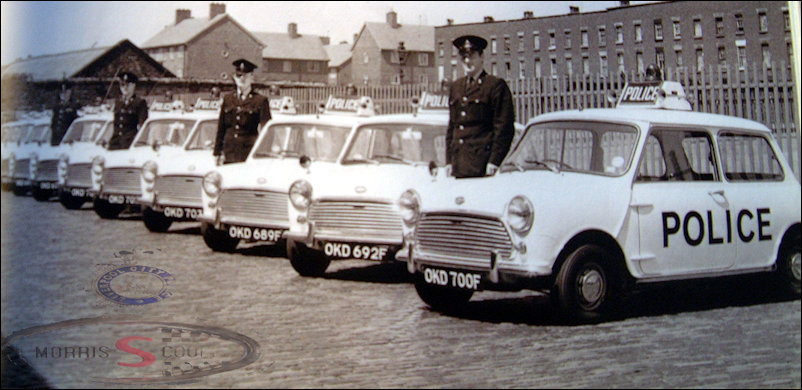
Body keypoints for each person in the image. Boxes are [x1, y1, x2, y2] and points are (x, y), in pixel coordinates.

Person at [446, 35, 515, 178]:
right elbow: (452, 127)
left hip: (482, 164)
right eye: (463, 57)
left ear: (482, 56)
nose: (467, 61)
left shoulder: (495, 86)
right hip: (459, 164)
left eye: (471, 56)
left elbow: (504, 128)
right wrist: (448, 161)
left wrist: (494, 161)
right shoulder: (456, 87)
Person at [214, 58, 271, 164]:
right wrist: (217, 153)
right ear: (234, 78)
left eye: (246, 76)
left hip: (248, 153)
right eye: (239, 76)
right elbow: (221, 128)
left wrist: (263, 154)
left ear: (252, 78)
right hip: (229, 153)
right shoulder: (228, 99)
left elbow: (266, 132)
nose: (242, 79)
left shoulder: (260, 100)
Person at [108, 71, 148, 150]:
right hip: (115, 143)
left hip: (130, 143)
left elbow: (142, 126)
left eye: (128, 85)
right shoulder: (118, 102)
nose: (125, 88)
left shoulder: (139, 102)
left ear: (133, 85)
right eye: (122, 85)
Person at [50, 81, 80, 145]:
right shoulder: (57, 107)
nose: (64, 96)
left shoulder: (73, 106)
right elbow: (54, 123)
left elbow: (75, 123)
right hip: (57, 138)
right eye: (62, 93)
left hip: (68, 138)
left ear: (70, 93)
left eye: (66, 93)